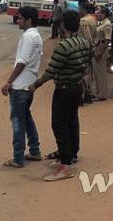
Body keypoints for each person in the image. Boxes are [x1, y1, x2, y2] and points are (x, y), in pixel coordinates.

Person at [29, 11, 92, 181]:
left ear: (63, 25)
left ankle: (65, 165)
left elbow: (51, 70)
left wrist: (36, 84)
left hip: (64, 89)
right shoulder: (83, 42)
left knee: (59, 125)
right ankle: (71, 154)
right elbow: (87, 63)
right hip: (77, 87)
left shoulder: (63, 46)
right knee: (72, 120)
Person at [1, 6, 43, 168]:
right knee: (27, 118)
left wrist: (8, 82)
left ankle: (18, 157)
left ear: (29, 20)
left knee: (18, 122)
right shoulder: (37, 36)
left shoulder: (28, 37)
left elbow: (22, 62)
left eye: (20, 18)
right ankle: (34, 150)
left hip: (20, 87)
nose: (17, 21)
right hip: (29, 85)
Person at [78, 2, 98, 105]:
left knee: (83, 73)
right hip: (89, 48)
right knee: (89, 72)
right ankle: (88, 93)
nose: (79, 10)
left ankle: (83, 95)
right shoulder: (93, 19)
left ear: (84, 9)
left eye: (80, 9)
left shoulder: (84, 21)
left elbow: (87, 37)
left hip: (83, 48)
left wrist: (89, 46)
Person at [92, 6, 112, 101]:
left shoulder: (107, 24)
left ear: (104, 14)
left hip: (101, 48)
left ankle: (102, 94)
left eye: (99, 12)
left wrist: (100, 52)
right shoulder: (102, 23)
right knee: (97, 72)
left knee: (101, 73)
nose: (97, 14)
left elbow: (107, 40)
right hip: (97, 47)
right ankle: (98, 92)